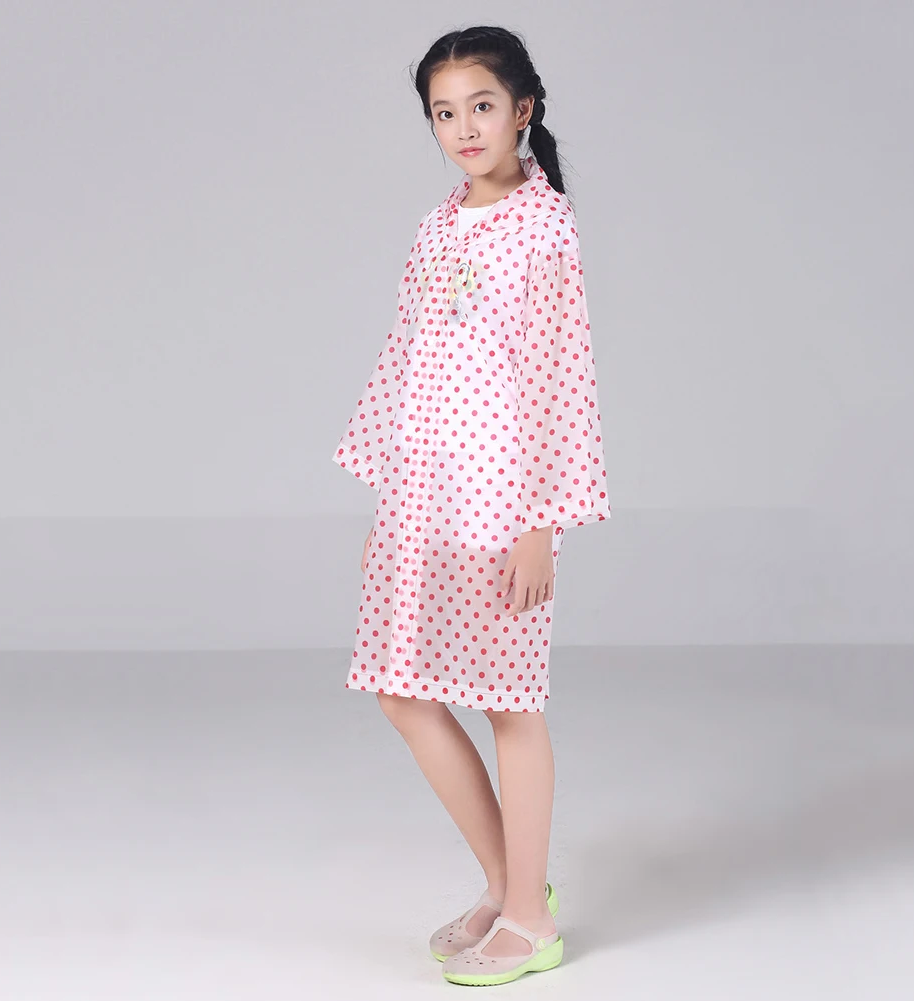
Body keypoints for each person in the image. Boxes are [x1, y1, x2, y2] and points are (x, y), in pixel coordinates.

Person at [331, 25, 611, 986]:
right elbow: (405, 358)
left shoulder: (546, 228)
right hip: (423, 495)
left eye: (481, 106)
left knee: (506, 702)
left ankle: (530, 918)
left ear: (521, 109)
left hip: (504, 503)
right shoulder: (435, 227)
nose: (463, 128)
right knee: (402, 690)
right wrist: (389, 501)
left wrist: (542, 524)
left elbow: (561, 379)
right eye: (443, 113)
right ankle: (508, 883)